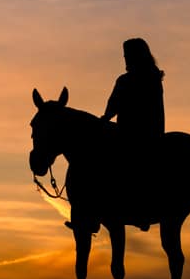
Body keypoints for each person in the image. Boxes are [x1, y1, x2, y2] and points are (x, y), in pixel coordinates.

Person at [66, 38, 165, 233]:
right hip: (153, 132)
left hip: (130, 134)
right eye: (125, 56)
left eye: (127, 56)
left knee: (97, 161)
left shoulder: (126, 80)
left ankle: (92, 213)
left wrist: (103, 121)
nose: (125, 59)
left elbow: (113, 108)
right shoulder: (154, 77)